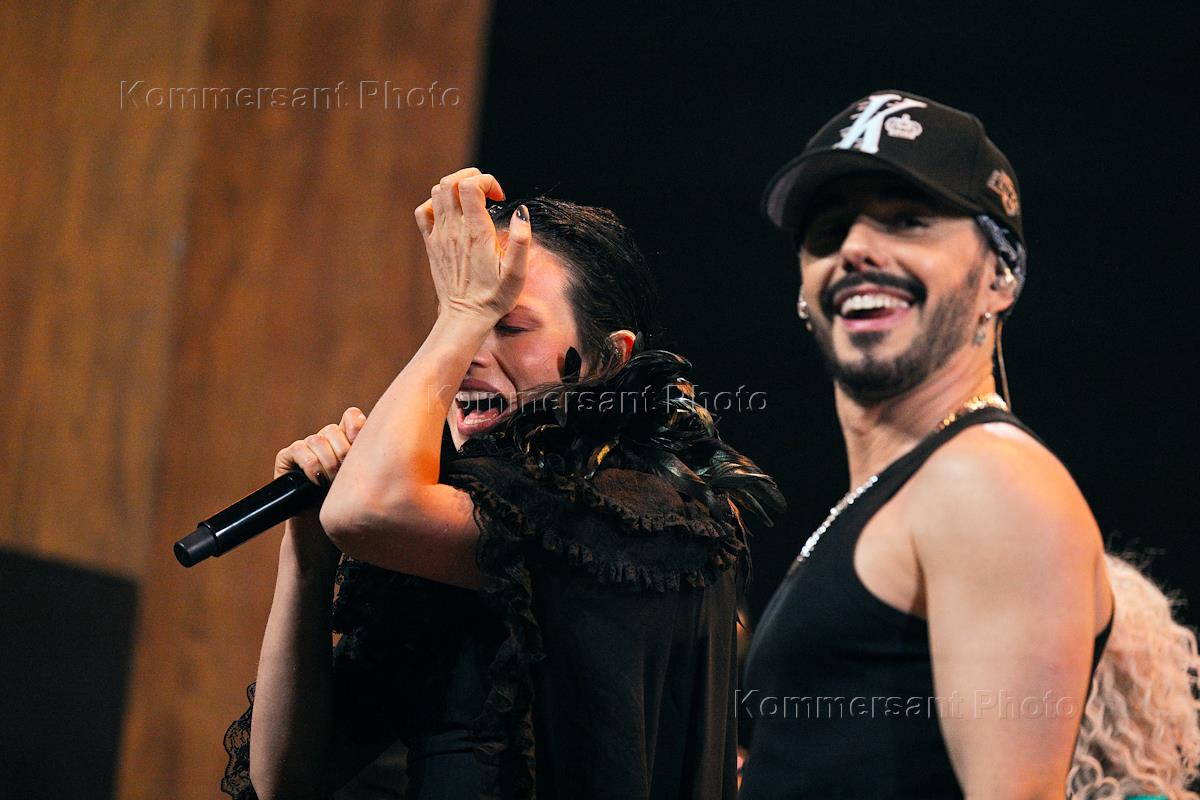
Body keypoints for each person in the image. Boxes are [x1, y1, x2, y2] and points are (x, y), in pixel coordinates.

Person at [220, 168, 783, 800]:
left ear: (608, 359)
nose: (464, 354)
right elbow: (284, 779)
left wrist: (464, 311)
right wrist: (308, 546)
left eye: (507, 325)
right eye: (458, 326)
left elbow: (369, 512)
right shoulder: (459, 535)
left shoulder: (647, 511)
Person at [740, 91, 1115, 798]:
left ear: (1000, 277)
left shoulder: (990, 481)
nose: (855, 250)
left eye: (907, 221)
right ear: (804, 292)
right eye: (828, 232)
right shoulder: (904, 490)